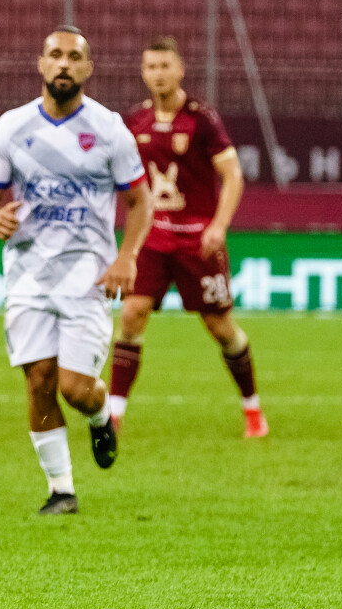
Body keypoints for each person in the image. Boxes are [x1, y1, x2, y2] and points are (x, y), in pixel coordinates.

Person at [0, 25, 152, 515]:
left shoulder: (109, 130)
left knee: (75, 389)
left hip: (88, 276)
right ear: (41, 63)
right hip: (28, 275)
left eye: (74, 57)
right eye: (55, 54)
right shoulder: (12, 127)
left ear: (87, 68)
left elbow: (141, 201)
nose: (64, 64)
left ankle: (99, 416)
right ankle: (61, 491)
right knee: (38, 381)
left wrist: (127, 256)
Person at [107, 36, 267, 438]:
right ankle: (113, 414)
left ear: (180, 70)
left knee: (220, 328)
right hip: (152, 238)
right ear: (143, 73)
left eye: (165, 66)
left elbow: (232, 175)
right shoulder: (135, 122)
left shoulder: (201, 119)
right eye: (151, 67)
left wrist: (218, 225)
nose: (158, 74)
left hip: (197, 241)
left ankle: (252, 410)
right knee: (132, 314)